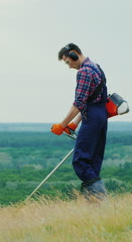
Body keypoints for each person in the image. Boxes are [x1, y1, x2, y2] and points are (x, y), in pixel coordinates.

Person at [51, 43, 108, 201]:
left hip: (91, 116)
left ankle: (97, 199)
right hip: (100, 116)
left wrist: (62, 125)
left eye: (68, 62)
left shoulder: (84, 71)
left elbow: (79, 102)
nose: (69, 67)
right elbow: (93, 99)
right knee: (93, 160)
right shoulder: (96, 67)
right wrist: (75, 123)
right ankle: (96, 203)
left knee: (80, 160)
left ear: (74, 55)